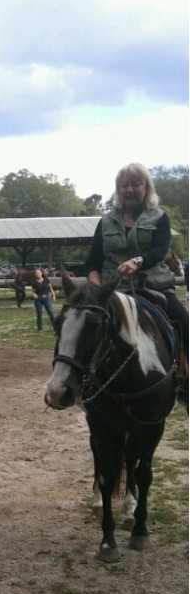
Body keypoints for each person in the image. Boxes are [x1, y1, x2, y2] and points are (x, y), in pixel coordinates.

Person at [84, 161, 188, 410]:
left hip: (155, 287)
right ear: (118, 189)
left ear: (146, 187)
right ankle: (80, 383)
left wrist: (137, 262)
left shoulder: (159, 217)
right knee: (79, 327)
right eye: (125, 185)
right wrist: (97, 288)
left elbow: (159, 250)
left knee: (185, 323)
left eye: (136, 184)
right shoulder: (105, 222)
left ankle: (184, 382)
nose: (129, 190)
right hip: (113, 291)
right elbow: (92, 263)